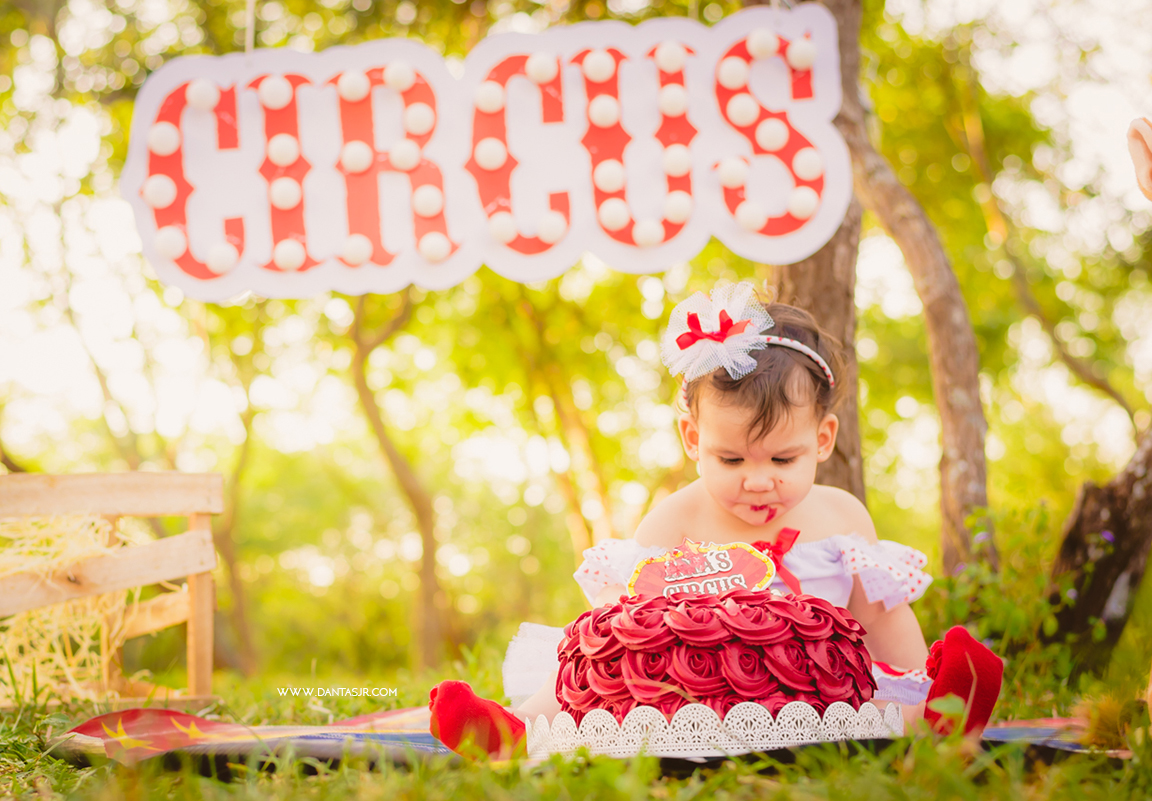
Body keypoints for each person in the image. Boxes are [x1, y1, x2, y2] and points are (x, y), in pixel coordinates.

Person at [429, 282, 1002, 758]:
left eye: (783, 459)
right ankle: (518, 729)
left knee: (874, 707)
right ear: (693, 439)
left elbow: (880, 618)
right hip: (688, 698)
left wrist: (913, 678)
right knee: (594, 672)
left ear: (823, 440)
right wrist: (608, 640)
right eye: (731, 460)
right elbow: (618, 629)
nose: (758, 480)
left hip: (818, 700)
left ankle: (939, 710)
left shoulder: (840, 516)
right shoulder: (675, 519)